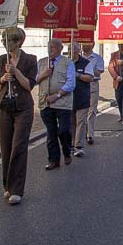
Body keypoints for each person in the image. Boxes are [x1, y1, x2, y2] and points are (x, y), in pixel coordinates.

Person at [0, 27, 37, 206]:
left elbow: (29, 85)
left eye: (8, 40)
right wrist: (3, 78)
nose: (4, 43)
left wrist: (16, 72)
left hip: (23, 107)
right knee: (6, 147)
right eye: (3, 40)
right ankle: (7, 185)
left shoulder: (30, 60)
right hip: (4, 106)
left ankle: (17, 189)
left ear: (18, 42)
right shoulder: (1, 59)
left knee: (19, 146)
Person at [36, 39, 76, 170]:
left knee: (63, 130)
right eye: (49, 47)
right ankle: (53, 160)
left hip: (62, 103)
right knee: (51, 133)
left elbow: (71, 83)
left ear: (60, 48)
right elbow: (33, 80)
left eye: (53, 47)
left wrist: (57, 95)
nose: (50, 49)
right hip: (45, 102)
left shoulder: (67, 63)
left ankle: (67, 150)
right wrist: (43, 75)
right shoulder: (42, 62)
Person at [70, 42, 93, 157]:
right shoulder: (66, 63)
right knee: (71, 122)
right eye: (69, 49)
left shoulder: (86, 63)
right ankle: (71, 144)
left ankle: (78, 146)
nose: (70, 52)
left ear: (77, 51)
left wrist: (78, 75)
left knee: (81, 122)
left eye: (72, 50)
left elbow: (90, 78)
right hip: (68, 97)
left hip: (82, 96)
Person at [81, 44, 105, 146]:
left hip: (93, 84)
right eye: (83, 43)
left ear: (92, 44)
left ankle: (90, 134)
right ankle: (81, 133)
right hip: (81, 84)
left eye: (86, 43)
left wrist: (86, 68)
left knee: (92, 110)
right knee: (81, 111)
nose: (84, 46)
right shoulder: (79, 57)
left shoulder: (97, 58)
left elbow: (98, 72)